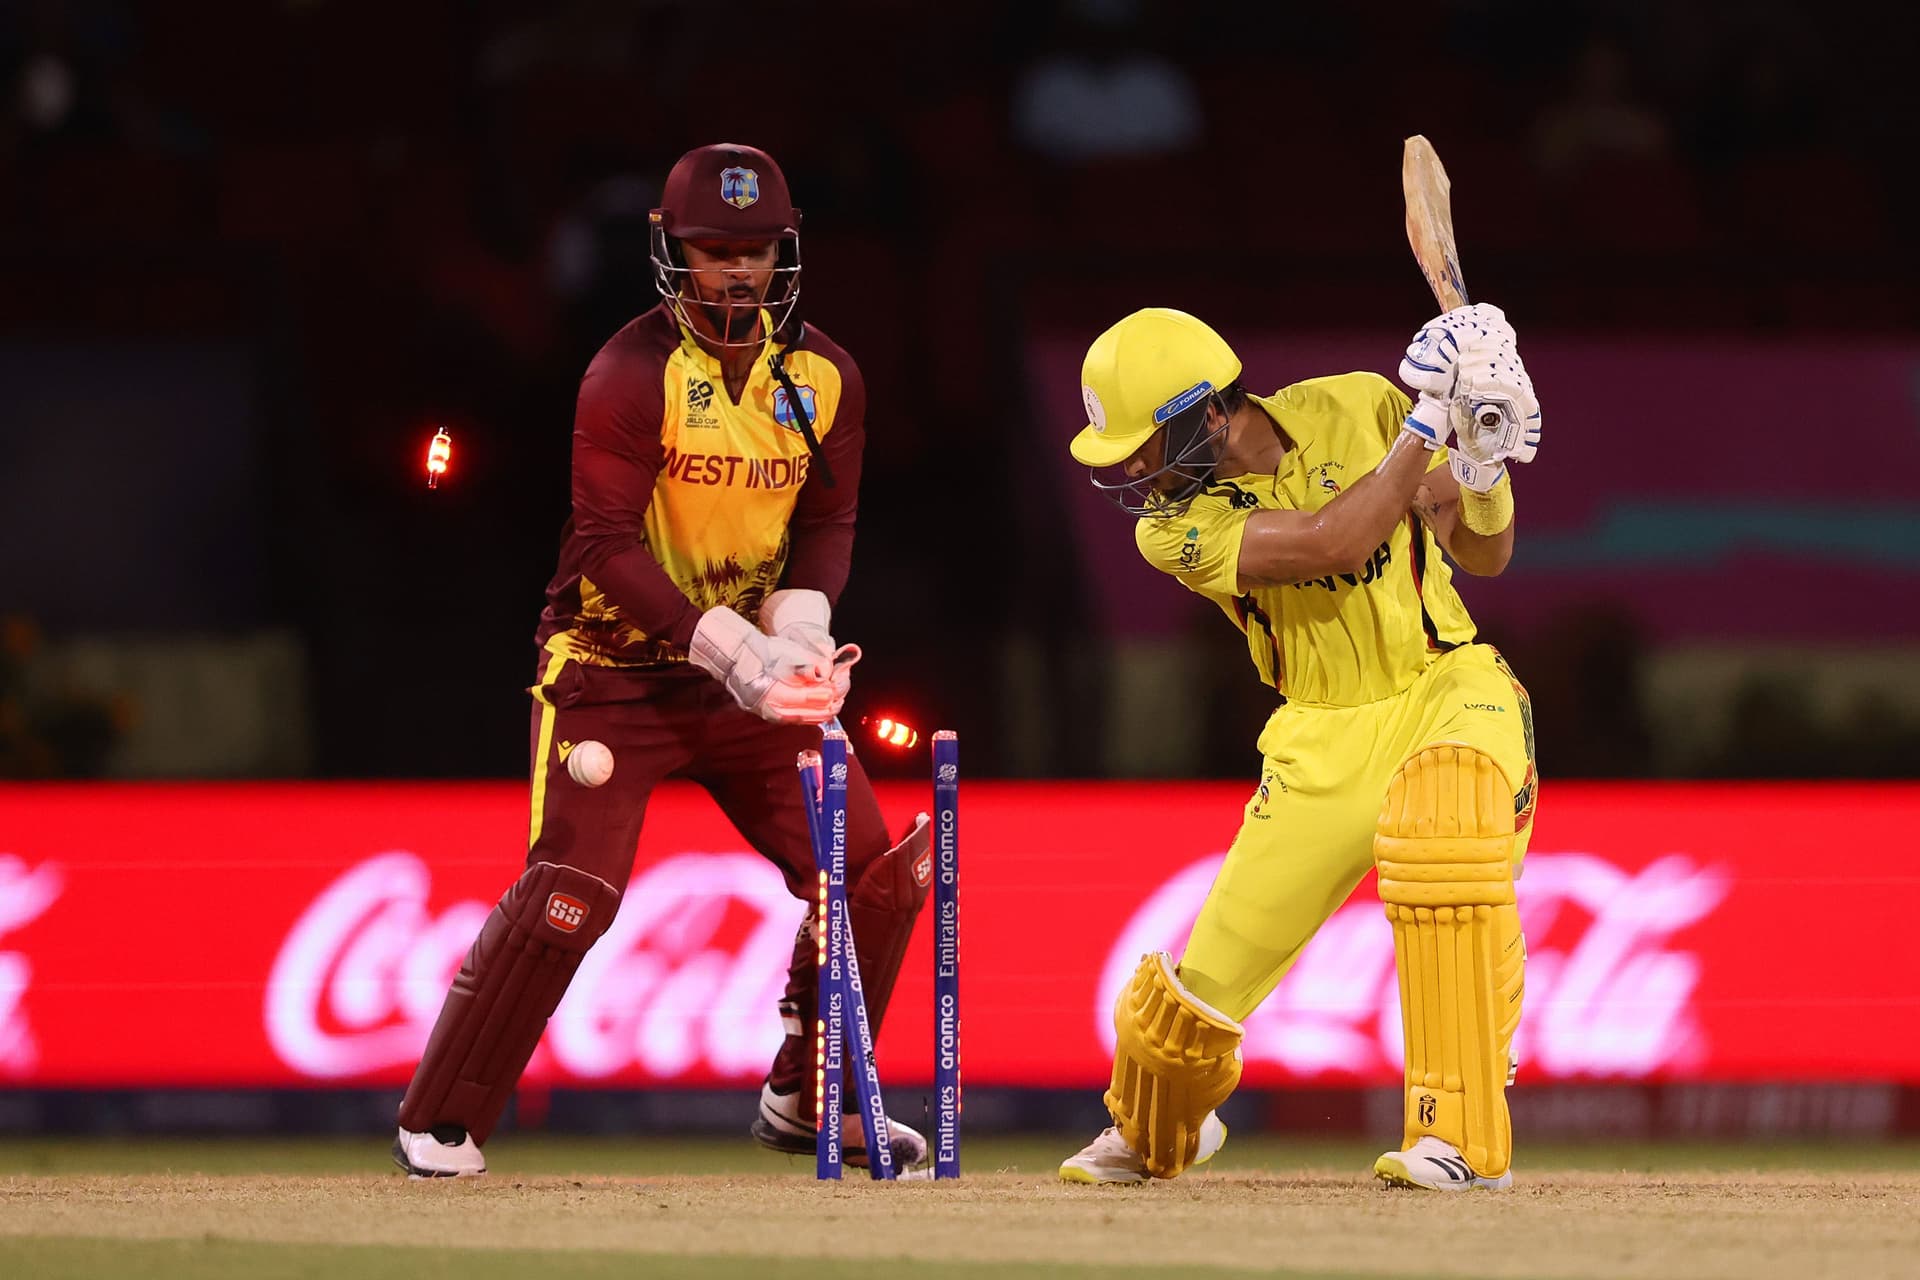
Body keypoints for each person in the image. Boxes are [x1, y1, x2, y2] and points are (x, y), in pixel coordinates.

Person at [393, 142, 932, 1177]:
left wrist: (803, 639)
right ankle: (442, 1116)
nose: (736, 270)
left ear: (786, 251)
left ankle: (813, 1096)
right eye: (713, 248)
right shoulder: (630, 373)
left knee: (874, 872)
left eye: (755, 248)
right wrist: (735, 650)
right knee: (573, 890)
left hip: (750, 679)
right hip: (611, 668)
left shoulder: (826, 377)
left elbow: (826, 522)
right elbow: (605, 544)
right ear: (672, 252)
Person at [1057, 303, 1542, 1190]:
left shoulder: (1359, 405)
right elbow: (1333, 540)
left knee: (1445, 825)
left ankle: (1458, 1137)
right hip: (1319, 737)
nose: (1130, 467)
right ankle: (1159, 1123)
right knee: (1175, 1029)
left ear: (1208, 412)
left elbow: (1485, 549)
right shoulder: (1168, 529)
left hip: (1445, 688)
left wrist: (1482, 459)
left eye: (1143, 442)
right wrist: (1432, 420)